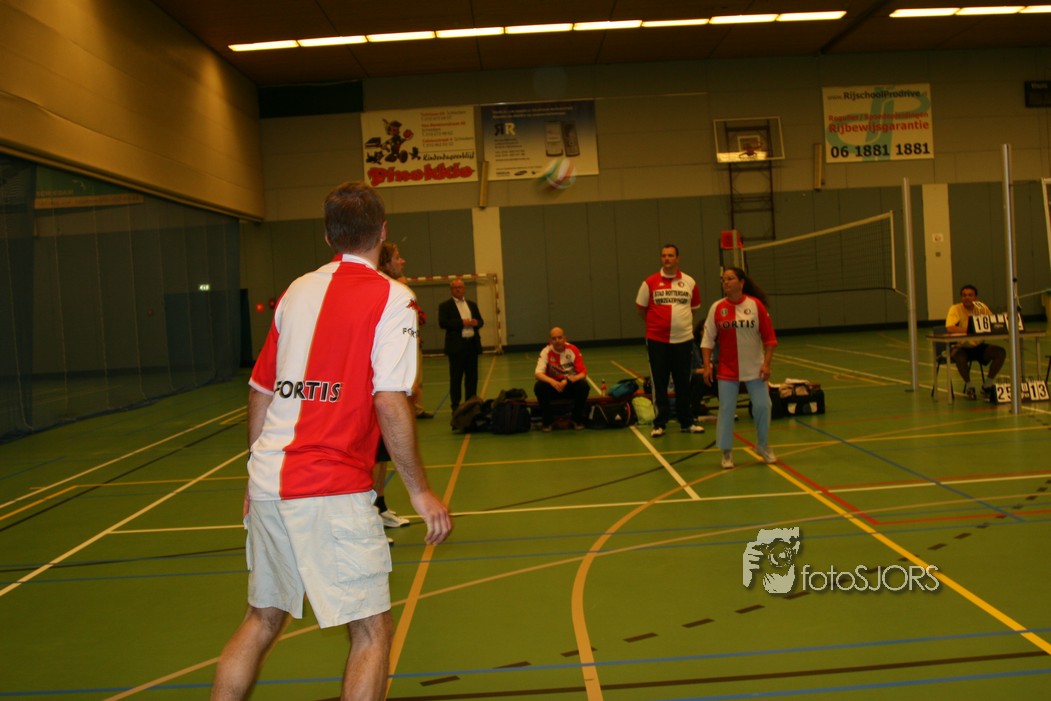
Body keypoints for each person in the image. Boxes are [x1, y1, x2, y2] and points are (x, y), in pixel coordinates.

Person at [211, 181, 452, 701]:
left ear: (328, 236)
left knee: (261, 618)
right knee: (371, 631)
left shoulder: (296, 291)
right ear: (382, 232)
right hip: (332, 487)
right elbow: (390, 398)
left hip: (271, 480)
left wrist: (253, 476)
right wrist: (419, 491)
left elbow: (260, 391)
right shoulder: (394, 298)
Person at [700, 267, 778, 470]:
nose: (725, 282)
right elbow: (707, 340)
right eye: (723, 279)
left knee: (763, 406)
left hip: (755, 369)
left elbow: (769, 339)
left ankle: (763, 446)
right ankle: (726, 452)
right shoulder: (717, 308)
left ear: (741, 283)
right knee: (726, 410)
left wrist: (766, 364)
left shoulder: (755, 305)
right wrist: (707, 365)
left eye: (730, 278)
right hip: (727, 370)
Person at [635, 244, 705, 437]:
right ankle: (660, 423)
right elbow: (641, 309)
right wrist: (657, 325)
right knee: (660, 382)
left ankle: (686, 422)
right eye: (664, 255)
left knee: (683, 382)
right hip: (657, 341)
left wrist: (679, 326)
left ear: (677, 258)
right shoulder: (649, 282)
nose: (667, 258)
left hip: (683, 341)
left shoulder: (689, 282)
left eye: (670, 255)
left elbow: (693, 309)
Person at [378, 242, 432, 419]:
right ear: (386, 263)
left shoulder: (397, 289)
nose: (403, 261)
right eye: (397, 258)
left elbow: (416, 318)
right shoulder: (389, 290)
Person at [945, 284, 1006, 400]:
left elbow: (992, 323)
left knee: (1000, 352)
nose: (967, 298)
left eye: (970, 295)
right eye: (964, 295)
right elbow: (950, 328)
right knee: (959, 356)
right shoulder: (955, 309)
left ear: (975, 297)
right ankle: (969, 386)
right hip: (962, 347)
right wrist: (971, 330)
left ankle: (987, 385)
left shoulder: (982, 307)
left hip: (979, 347)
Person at [438, 278, 484, 411]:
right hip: (456, 347)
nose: (458, 289)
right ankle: (455, 406)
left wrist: (476, 323)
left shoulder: (472, 304)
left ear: (464, 289)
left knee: (472, 378)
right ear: (451, 290)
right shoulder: (445, 306)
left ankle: (471, 404)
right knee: (456, 378)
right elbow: (443, 323)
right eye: (455, 287)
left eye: (460, 287)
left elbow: (481, 321)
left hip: (472, 345)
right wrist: (461, 322)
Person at [533, 326, 589, 431]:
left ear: (565, 338)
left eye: (559, 337)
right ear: (550, 341)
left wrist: (569, 380)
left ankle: (577, 419)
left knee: (583, 386)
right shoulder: (546, 351)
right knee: (539, 386)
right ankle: (547, 422)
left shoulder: (573, 349)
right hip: (553, 387)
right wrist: (552, 381)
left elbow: (583, 373)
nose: (557, 341)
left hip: (568, 386)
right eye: (554, 338)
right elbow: (538, 374)